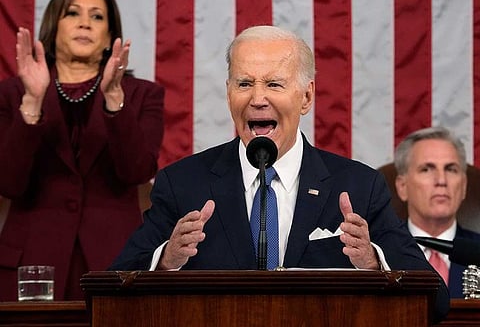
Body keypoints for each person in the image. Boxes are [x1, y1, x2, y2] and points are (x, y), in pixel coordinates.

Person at [110, 25, 449, 320]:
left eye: (274, 84)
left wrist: (374, 262)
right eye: (244, 84)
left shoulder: (359, 187)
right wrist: (166, 262)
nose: (258, 98)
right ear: (229, 94)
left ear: (306, 96)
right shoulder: (183, 184)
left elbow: (437, 301)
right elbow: (112, 292)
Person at [0, 0, 164, 301]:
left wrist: (115, 99)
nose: (85, 23)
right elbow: (8, 183)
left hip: (113, 266)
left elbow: (136, 172)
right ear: (54, 27)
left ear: (109, 37)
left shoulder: (143, 95)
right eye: (73, 13)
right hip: (31, 266)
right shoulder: (13, 93)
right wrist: (32, 103)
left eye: (97, 16)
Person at [394, 126, 480, 298]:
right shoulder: (379, 254)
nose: (441, 180)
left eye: (451, 169)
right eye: (426, 169)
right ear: (402, 186)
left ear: (463, 186)